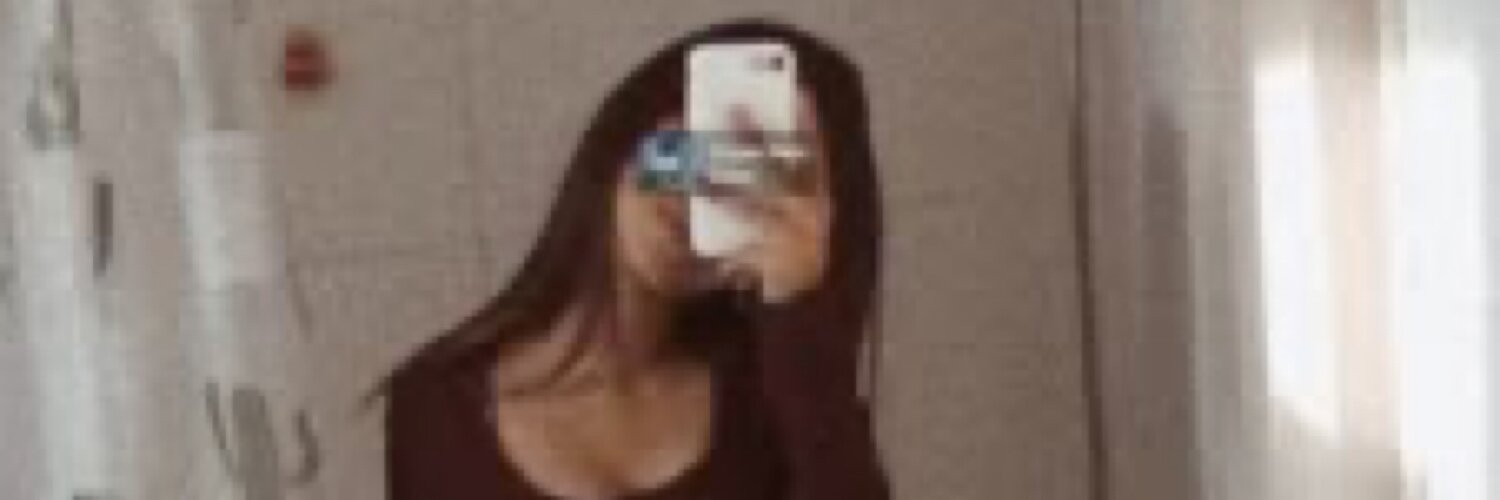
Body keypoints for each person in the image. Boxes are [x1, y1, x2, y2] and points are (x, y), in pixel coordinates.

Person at [383, 18, 889, 500]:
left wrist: (800, 318)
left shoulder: (779, 398)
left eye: (764, 170)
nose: (706, 185)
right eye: (705, 139)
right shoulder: (435, 408)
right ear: (638, 121)